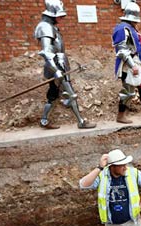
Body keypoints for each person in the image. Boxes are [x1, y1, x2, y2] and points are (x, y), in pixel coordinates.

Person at [34, 0, 96, 129]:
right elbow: (46, 53)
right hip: (56, 67)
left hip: (61, 65)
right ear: (52, 14)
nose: (62, 18)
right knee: (71, 94)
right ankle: (81, 122)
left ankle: (44, 120)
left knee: (53, 94)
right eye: (60, 16)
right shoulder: (45, 27)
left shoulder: (52, 27)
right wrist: (56, 71)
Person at [112, 1, 141, 124]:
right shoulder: (122, 29)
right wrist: (132, 66)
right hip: (129, 66)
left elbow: (137, 45)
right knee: (128, 92)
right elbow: (122, 51)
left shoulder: (132, 29)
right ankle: (121, 116)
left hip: (139, 63)